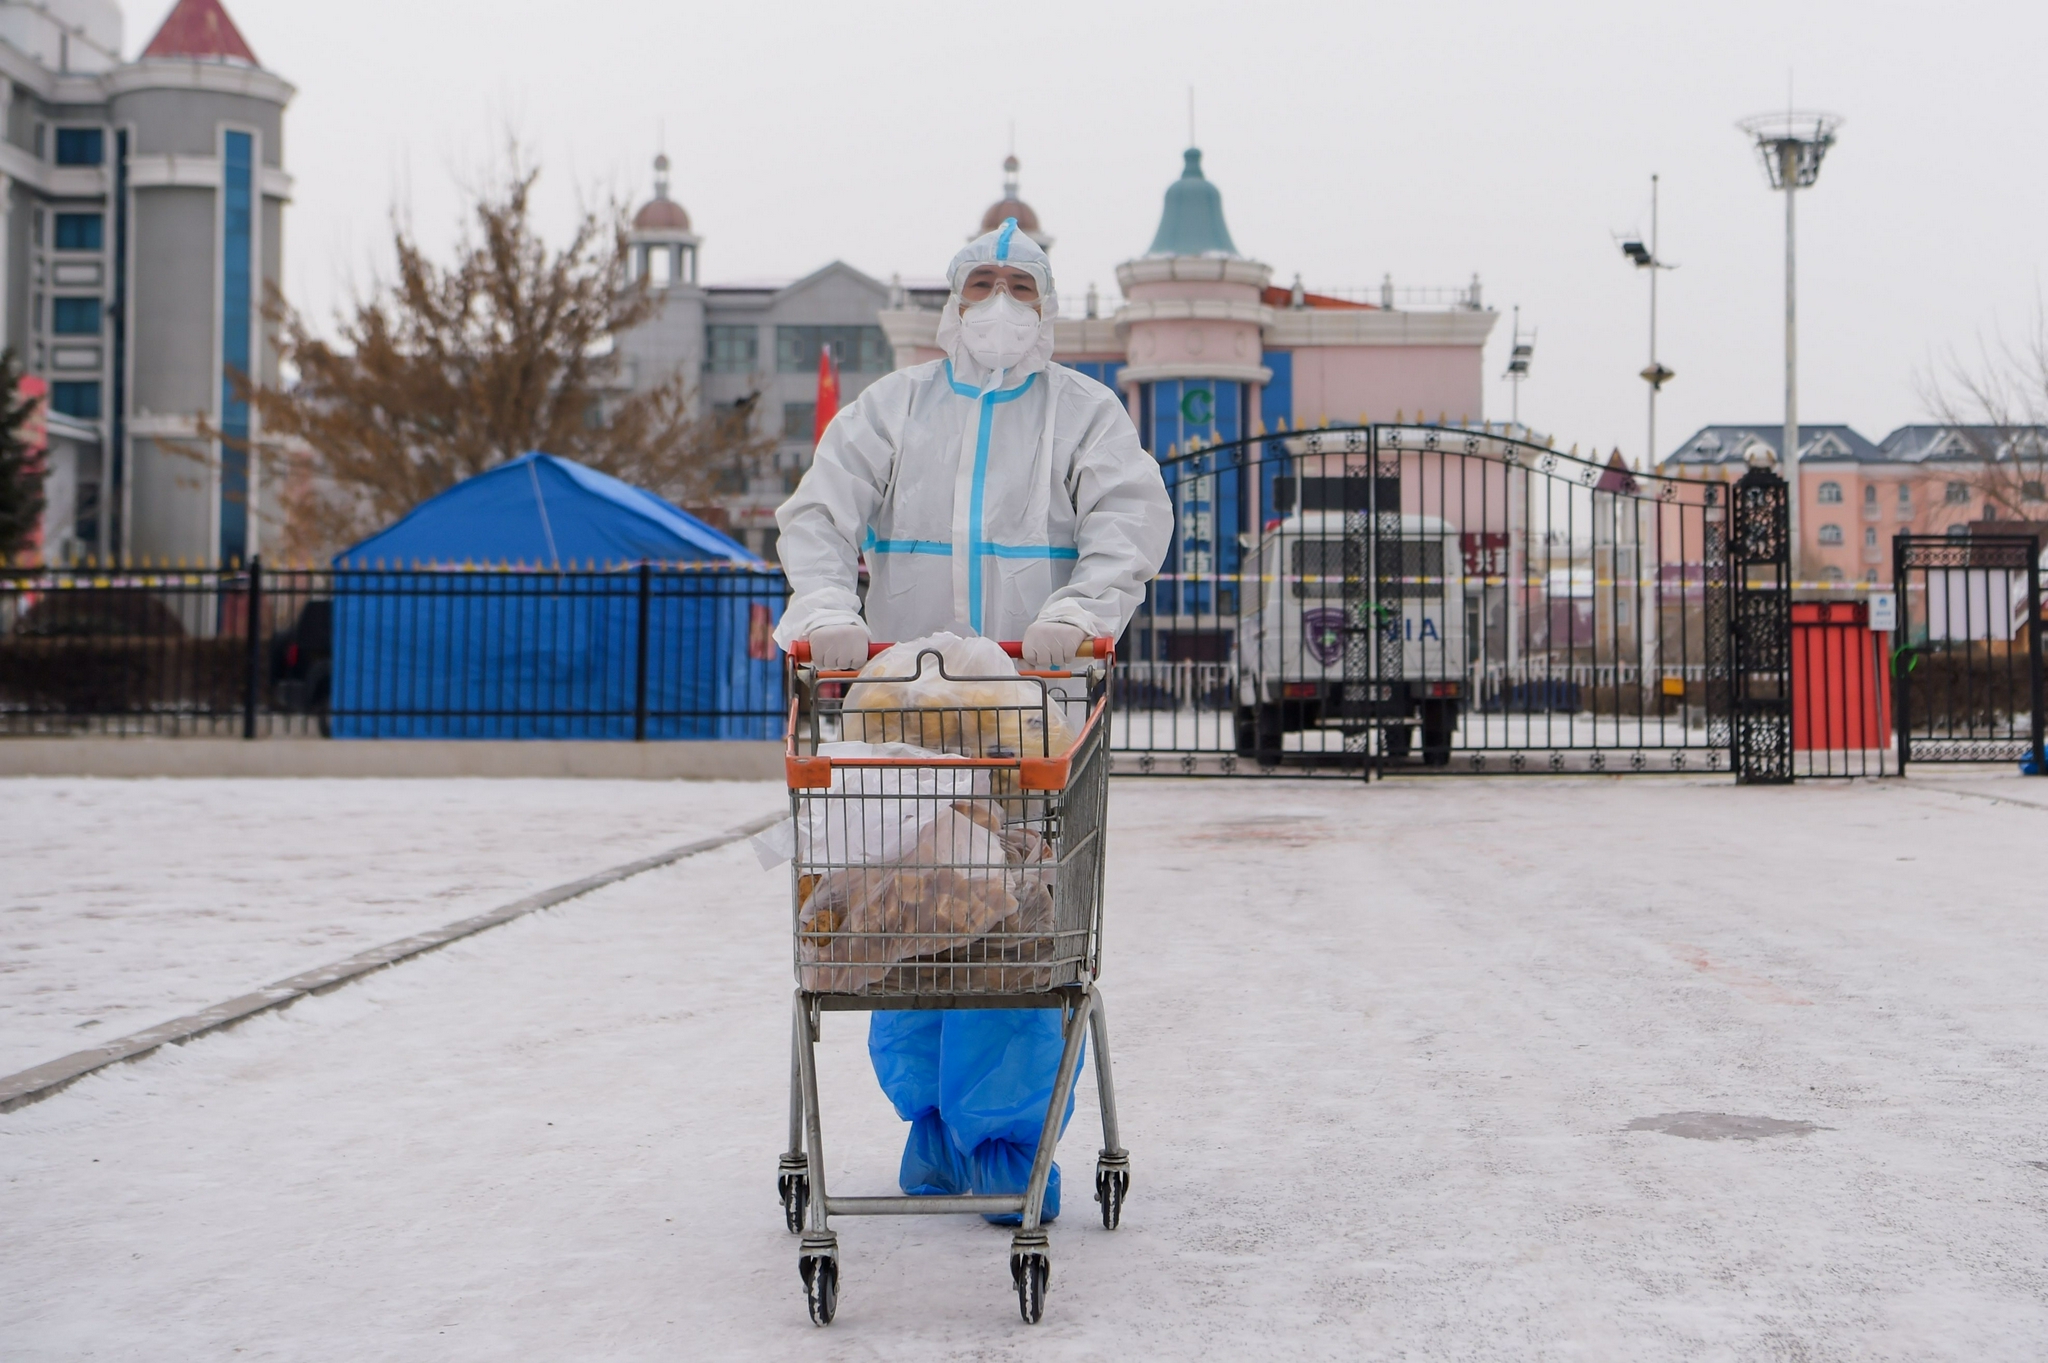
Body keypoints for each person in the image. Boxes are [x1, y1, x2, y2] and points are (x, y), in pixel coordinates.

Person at [773, 218, 1171, 1218]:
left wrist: (1079, 613)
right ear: (952, 303)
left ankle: (1003, 1138)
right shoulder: (893, 409)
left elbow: (1128, 519)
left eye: (1020, 285)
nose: (1000, 301)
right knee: (902, 918)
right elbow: (819, 511)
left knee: (1017, 928)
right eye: (982, 282)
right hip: (904, 717)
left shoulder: (1081, 416)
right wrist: (824, 610)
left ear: (1047, 306)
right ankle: (935, 1123)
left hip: (1032, 723)